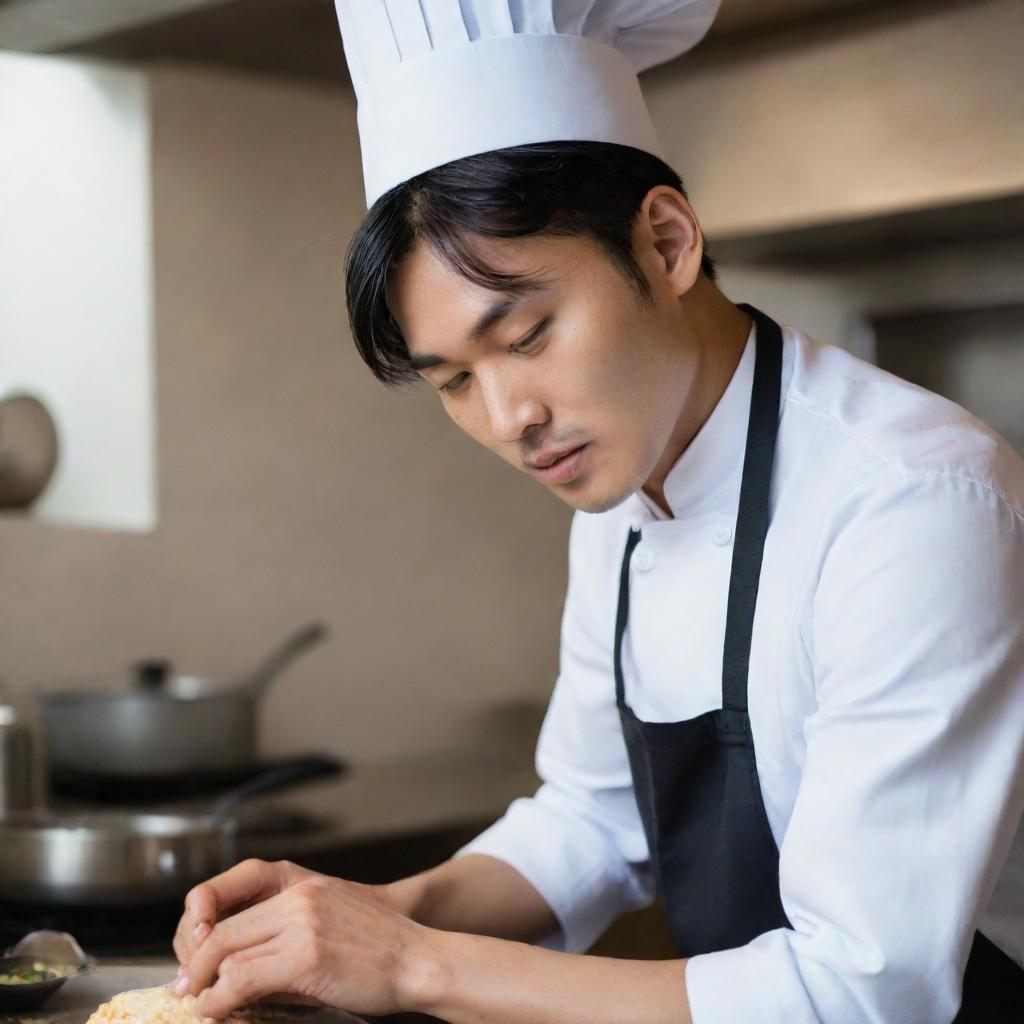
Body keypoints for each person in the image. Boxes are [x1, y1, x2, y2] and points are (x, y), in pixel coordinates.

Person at [172, 3, 1024, 1021]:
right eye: (453, 381)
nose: (508, 419)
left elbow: (864, 989)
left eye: (527, 334)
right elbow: (587, 821)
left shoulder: (911, 502)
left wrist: (413, 962)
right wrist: (369, 912)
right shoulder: (619, 501)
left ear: (664, 243)